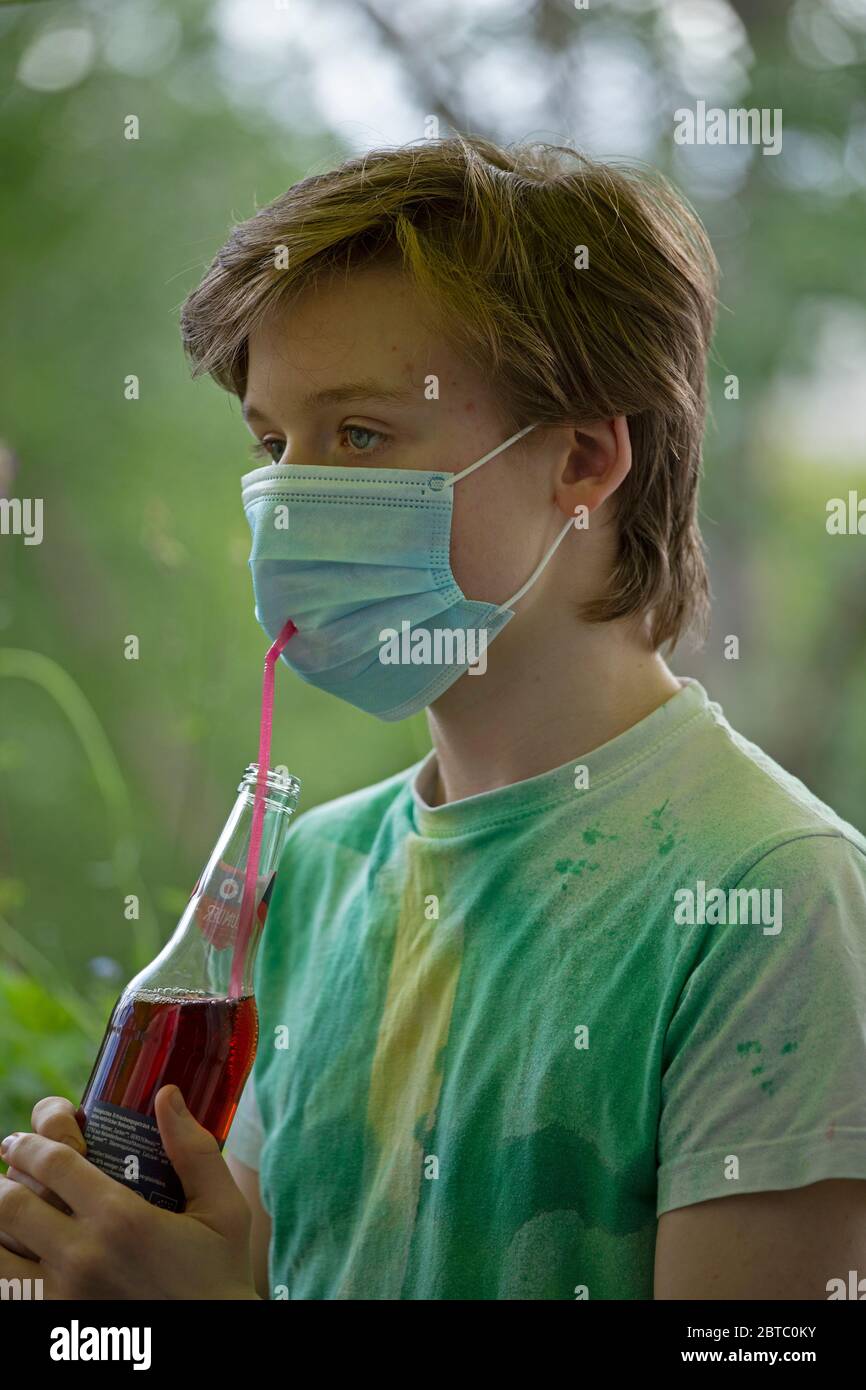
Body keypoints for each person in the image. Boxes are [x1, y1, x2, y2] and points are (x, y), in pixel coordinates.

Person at [3, 136, 865, 1300]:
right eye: (272, 445)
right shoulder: (313, 870)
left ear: (582, 457)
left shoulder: (774, 898)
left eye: (358, 434)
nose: (290, 509)